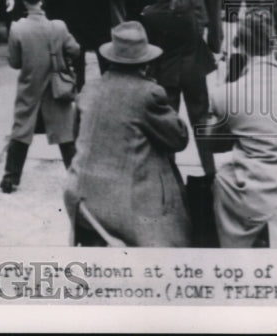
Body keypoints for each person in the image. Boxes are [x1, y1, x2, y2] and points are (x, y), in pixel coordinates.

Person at [63, 21, 192, 247]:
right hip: (120, 207)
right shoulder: (148, 93)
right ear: (147, 63)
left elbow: (76, 135)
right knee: (176, 233)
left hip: (79, 196)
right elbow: (179, 139)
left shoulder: (90, 88)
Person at [204, 10, 277, 247]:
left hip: (256, 196)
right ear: (275, 44)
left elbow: (213, 144)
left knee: (223, 177)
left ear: (239, 46)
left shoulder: (226, 94)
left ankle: (237, 246)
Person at [2, 0, 80, 193]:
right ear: (41, 1)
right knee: (66, 136)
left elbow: (14, 62)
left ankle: (10, 178)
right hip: (56, 89)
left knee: (20, 133)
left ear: (24, 2)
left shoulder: (17, 29)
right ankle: (77, 178)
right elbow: (75, 50)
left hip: (30, 88)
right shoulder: (58, 27)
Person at [138, 0, 215, 176]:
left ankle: (171, 175)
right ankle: (210, 171)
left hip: (167, 73)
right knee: (201, 121)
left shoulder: (149, 14)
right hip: (194, 69)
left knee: (168, 126)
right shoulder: (188, 1)